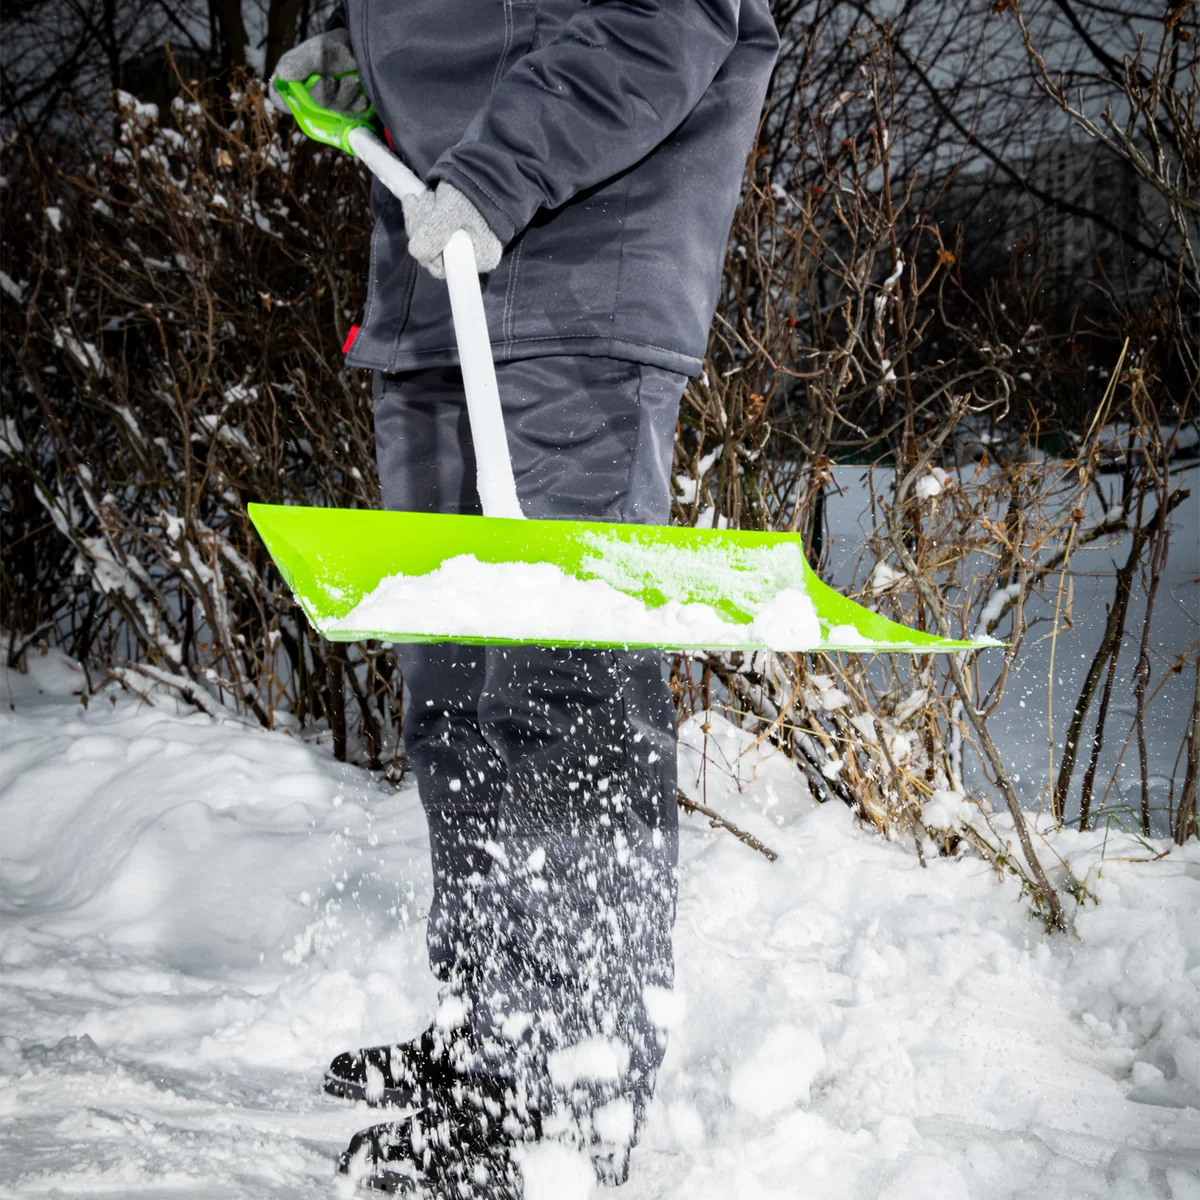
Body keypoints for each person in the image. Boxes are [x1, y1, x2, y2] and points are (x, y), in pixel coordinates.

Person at [272, 2, 778, 1194]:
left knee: (565, 697)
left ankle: (567, 1084)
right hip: (432, 278)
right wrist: (357, 44)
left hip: (576, 273)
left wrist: (498, 173)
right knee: (454, 701)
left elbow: (669, 17)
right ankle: (491, 1027)